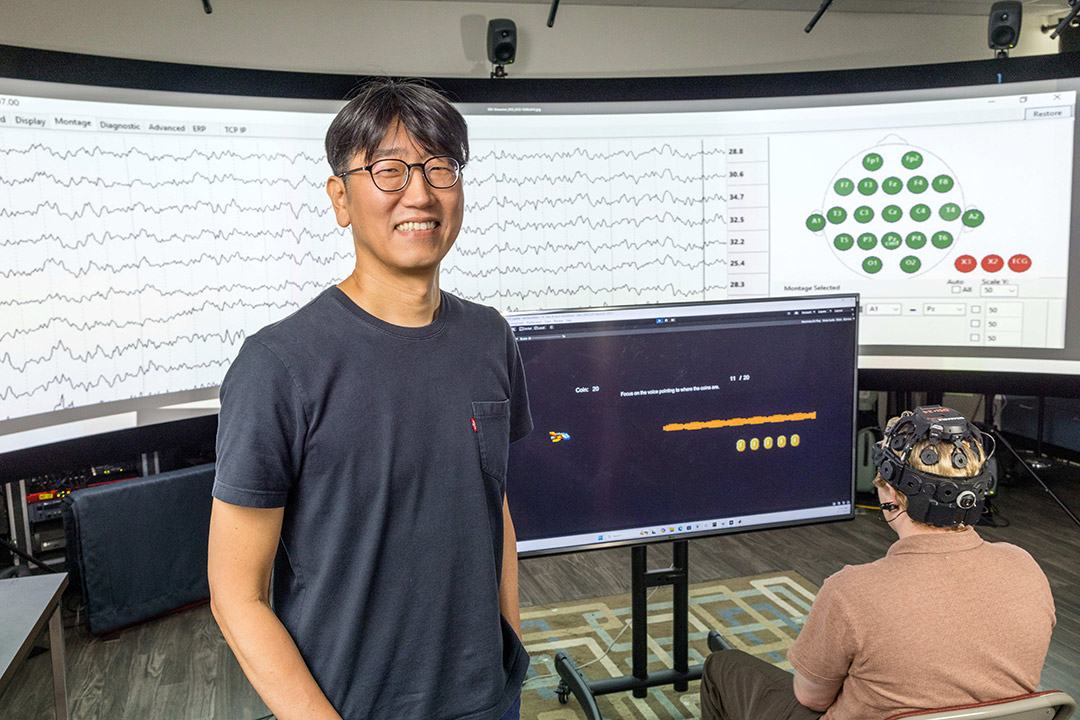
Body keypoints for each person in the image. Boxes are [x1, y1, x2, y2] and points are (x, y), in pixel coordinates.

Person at [207, 79, 532, 720]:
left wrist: (506, 664)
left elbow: (489, 507)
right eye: (389, 170)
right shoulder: (277, 364)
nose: (420, 192)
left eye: (441, 168)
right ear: (340, 198)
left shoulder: (490, 335)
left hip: (488, 702)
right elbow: (234, 592)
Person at [700, 406, 1055, 720]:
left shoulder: (851, 591)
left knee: (723, 666)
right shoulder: (1025, 567)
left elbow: (810, 697)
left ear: (888, 492)